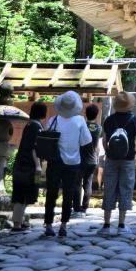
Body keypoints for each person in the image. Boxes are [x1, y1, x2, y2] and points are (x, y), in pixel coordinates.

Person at [44, 90, 92, 238]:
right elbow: (87, 141)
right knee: (68, 194)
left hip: (54, 161)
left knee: (51, 193)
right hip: (72, 162)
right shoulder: (79, 121)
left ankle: (49, 225)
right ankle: (63, 225)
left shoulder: (52, 120)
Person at [98, 91, 136, 236]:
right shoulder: (135, 121)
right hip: (128, 159)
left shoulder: (109, 120)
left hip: (112, 160)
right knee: (126, 188)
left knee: (109, 188)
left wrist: (108, 152)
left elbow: (105, 140)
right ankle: (121, 225)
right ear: (130, 105)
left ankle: (106, 225)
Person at [11, 100, 47, 231]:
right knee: (23, 194)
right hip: (29, 166)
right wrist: (38, 166)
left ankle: (19, 221)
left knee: (23, 194)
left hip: (22, 164)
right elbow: (34, 148)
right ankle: (17, 224)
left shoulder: (30, 124)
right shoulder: (36, 127)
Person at [72, 102, 102, 218]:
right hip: (93, 159)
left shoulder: (82, 126)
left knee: (77, 183)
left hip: (81, 159)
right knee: (88, 183)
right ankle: (85, 207)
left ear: (85, 113)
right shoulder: (99, 128)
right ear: (97, 115)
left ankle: (77, 208)